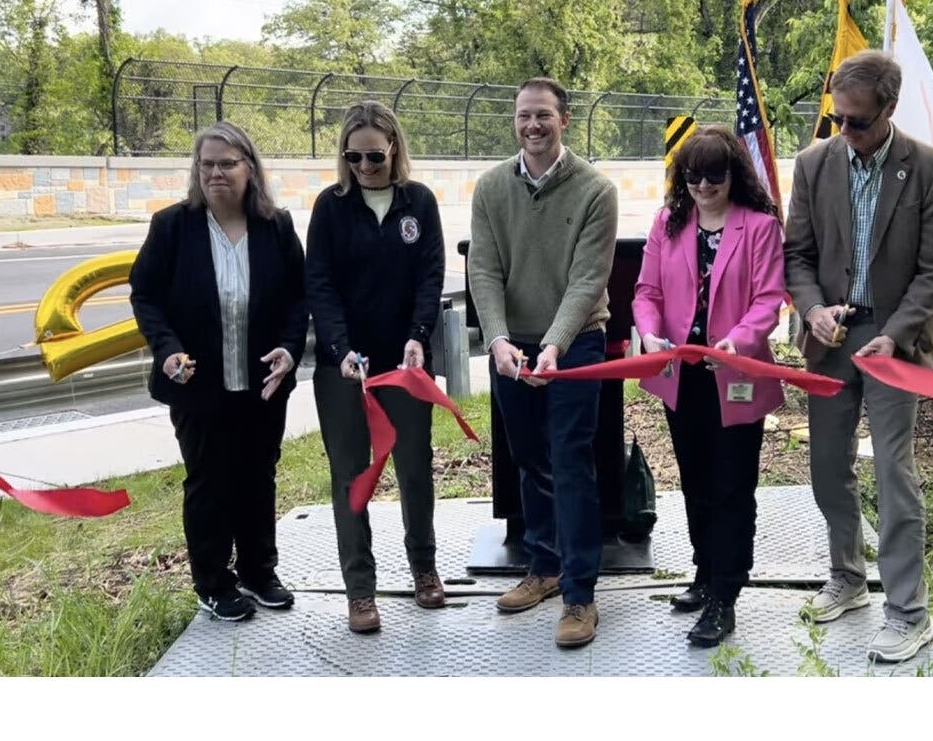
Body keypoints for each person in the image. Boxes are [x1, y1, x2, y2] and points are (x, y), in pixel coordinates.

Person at [783, 50, 933, 662]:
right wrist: (812, 311)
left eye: (857, 121)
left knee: (893, 472)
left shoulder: (932, 170)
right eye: (837, 118)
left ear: (889, 110)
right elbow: (797, 256)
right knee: (827, 467)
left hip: (895, 343)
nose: (844, 131)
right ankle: (849, 578)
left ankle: (908, 611)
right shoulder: (814, 164)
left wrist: (900, 329)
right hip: (830, 337)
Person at [129, 121, 307, 622]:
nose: (215, 174)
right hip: (197, 383)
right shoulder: (172, 226)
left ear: (250, 169)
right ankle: (212, 582)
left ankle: (258, 571)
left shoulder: (276, 226)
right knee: (209, 481)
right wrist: (166, 348)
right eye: (206, 165)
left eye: (227, 164)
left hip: (262, 383)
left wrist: (291, 349)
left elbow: (299, 298)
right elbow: (145, 294)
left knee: (258, 476)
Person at [468, 77, 618, 649]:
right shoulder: (489, 188)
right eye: (524, 116)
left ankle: (580, 593)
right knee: (528, 458)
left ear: (565, 120)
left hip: (576, 341)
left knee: (570, 459)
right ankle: (545, 565)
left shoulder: (595, 191)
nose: (533, 126)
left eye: (544, 116)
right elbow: (482, 271)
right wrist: (499, 341)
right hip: (513, 344)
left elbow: (587, 280)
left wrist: (554, 345)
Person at [631, 125, 786, 647]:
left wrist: (737, 343)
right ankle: (704, 571)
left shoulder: (760, 227)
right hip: (682, 377)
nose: (702, 187)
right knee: (696, 480)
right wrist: (650, 334)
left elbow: (768, 300)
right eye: (693, 177)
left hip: (735, 376)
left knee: (732, 487)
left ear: (733, 175)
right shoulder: (668, 224)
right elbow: (646, 292)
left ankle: (726, 593)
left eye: (713, 177)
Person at [305, 100, 446, 635]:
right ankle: (360, 590)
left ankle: (424, 567)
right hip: (344, 368)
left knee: (414, 465)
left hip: (404, 362)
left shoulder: (419, 203)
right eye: (353, 156)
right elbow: (319, 283)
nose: (364, 166)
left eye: (374, 156)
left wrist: (418, 337)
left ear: (393, 150)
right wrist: (340, 350)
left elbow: (430, 275)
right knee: (352, 476)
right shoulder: (331, 207)